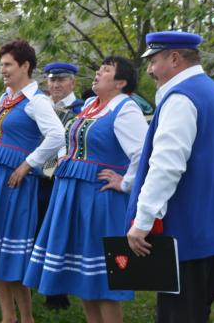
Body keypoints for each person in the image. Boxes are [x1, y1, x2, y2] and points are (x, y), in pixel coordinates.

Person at [125, 31, 214, 323]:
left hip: (187, 230)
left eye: (154, 60)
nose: (149, 70)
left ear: (174, 58)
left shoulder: (181, 98)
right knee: (197, 312)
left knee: (178, 315)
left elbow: (166, 166)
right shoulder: (213, 91)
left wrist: (142, 222)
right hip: (213, 228)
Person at [25, 56, 148, 323]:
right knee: (84, 276)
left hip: (99, 198)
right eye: (99, 68)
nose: (97, 73)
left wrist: (124, 181)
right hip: (73, 194)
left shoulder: (126, 109)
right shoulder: (92, 105)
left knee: (104, 281)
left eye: (106, 70)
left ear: (121, 82)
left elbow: (143, 153)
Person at [0, 40, 65, 323]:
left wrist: (27, 165)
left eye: (8, 64)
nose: (2, 70)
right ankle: (8, 317)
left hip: (12, 183)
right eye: (2, 64)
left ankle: (27, 318)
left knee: (12, 254)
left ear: (25, 66)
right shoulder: (9, 98)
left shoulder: (37, 101)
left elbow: (57, 136)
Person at [35, 61, 84, 311]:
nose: (55, 85)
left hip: (62, 177)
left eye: (61, 80)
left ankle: (59, 292)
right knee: (40, 231)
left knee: (60, 232)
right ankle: (43, 282)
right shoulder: (41, 107)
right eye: (52, 80)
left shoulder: (81, 110)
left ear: (72, 82)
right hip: (38, 177)